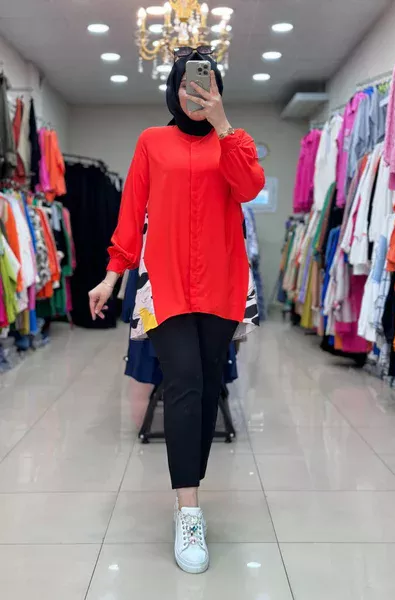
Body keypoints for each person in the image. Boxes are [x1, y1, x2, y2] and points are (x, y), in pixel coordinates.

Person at [88, 49, 265, 574]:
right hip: (164, 286)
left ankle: (189, 487)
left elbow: (249, 187)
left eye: (206, 86)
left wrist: (223, 124)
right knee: (184, 382)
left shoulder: (234, 142)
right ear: (173, 89)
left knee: (208, 388)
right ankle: (189, 510)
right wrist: (112, 275)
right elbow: (131, 212)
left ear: (217, 91)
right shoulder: (151, 142)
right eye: (188, 85)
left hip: (221, 286)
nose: (196, 93)